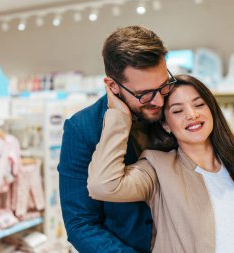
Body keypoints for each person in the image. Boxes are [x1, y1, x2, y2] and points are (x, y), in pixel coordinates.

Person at [88, 74, 234, 253]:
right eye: (177, 110)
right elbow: (103, 185)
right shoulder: (157, 169)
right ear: (166, 124)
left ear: (212, 109)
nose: (192, 114)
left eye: (199, 104)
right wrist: (120, 116)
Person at [58, 25, 173, 252]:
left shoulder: (176, 106)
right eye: (144, 94)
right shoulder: (82, 128)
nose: (159, 101)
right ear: (112, 86)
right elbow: (81, 224)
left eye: (163, 85)